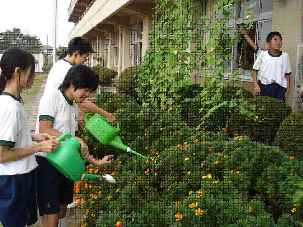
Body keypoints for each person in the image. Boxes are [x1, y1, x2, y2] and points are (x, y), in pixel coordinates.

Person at [36, 64, 113, 227]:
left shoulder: (72, 105)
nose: (86, 95)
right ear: (72, 84)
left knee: (62, 210)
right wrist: (74, 140)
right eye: (85, 90)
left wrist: (96, 162)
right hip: (48, 162)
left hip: (65, 163)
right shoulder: (52, 98)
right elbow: (45, 128)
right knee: (51, 214)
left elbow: (74, 144)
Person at [0, 48, 58, 227]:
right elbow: (2, 154)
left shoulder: (11, 102)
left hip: (19, 176)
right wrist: (38, 148)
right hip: (14, 179)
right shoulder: (10, 108)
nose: (33, 77)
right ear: (18, 72)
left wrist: (35, 136)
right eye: (31, 72)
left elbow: (12, 136)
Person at [44, 36, 116, 123]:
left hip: (59, 118)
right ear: (76, 54)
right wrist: (106, 114)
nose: (85, 61)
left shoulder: (60, 64)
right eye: (85, 58)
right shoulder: (67, 71)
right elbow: (82, 101)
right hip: (55, 122)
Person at [251, 31, 292, 102]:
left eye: (280, 40)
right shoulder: (263, 54)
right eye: (275, 39)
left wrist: (288, 89)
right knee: (263, 109)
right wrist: (255, 84)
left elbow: (287, 75)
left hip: (280, 89)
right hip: (264, 87)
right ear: (269, 42)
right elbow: (254, 71)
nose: (278, 42)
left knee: (278, 110)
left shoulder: (285, 56)